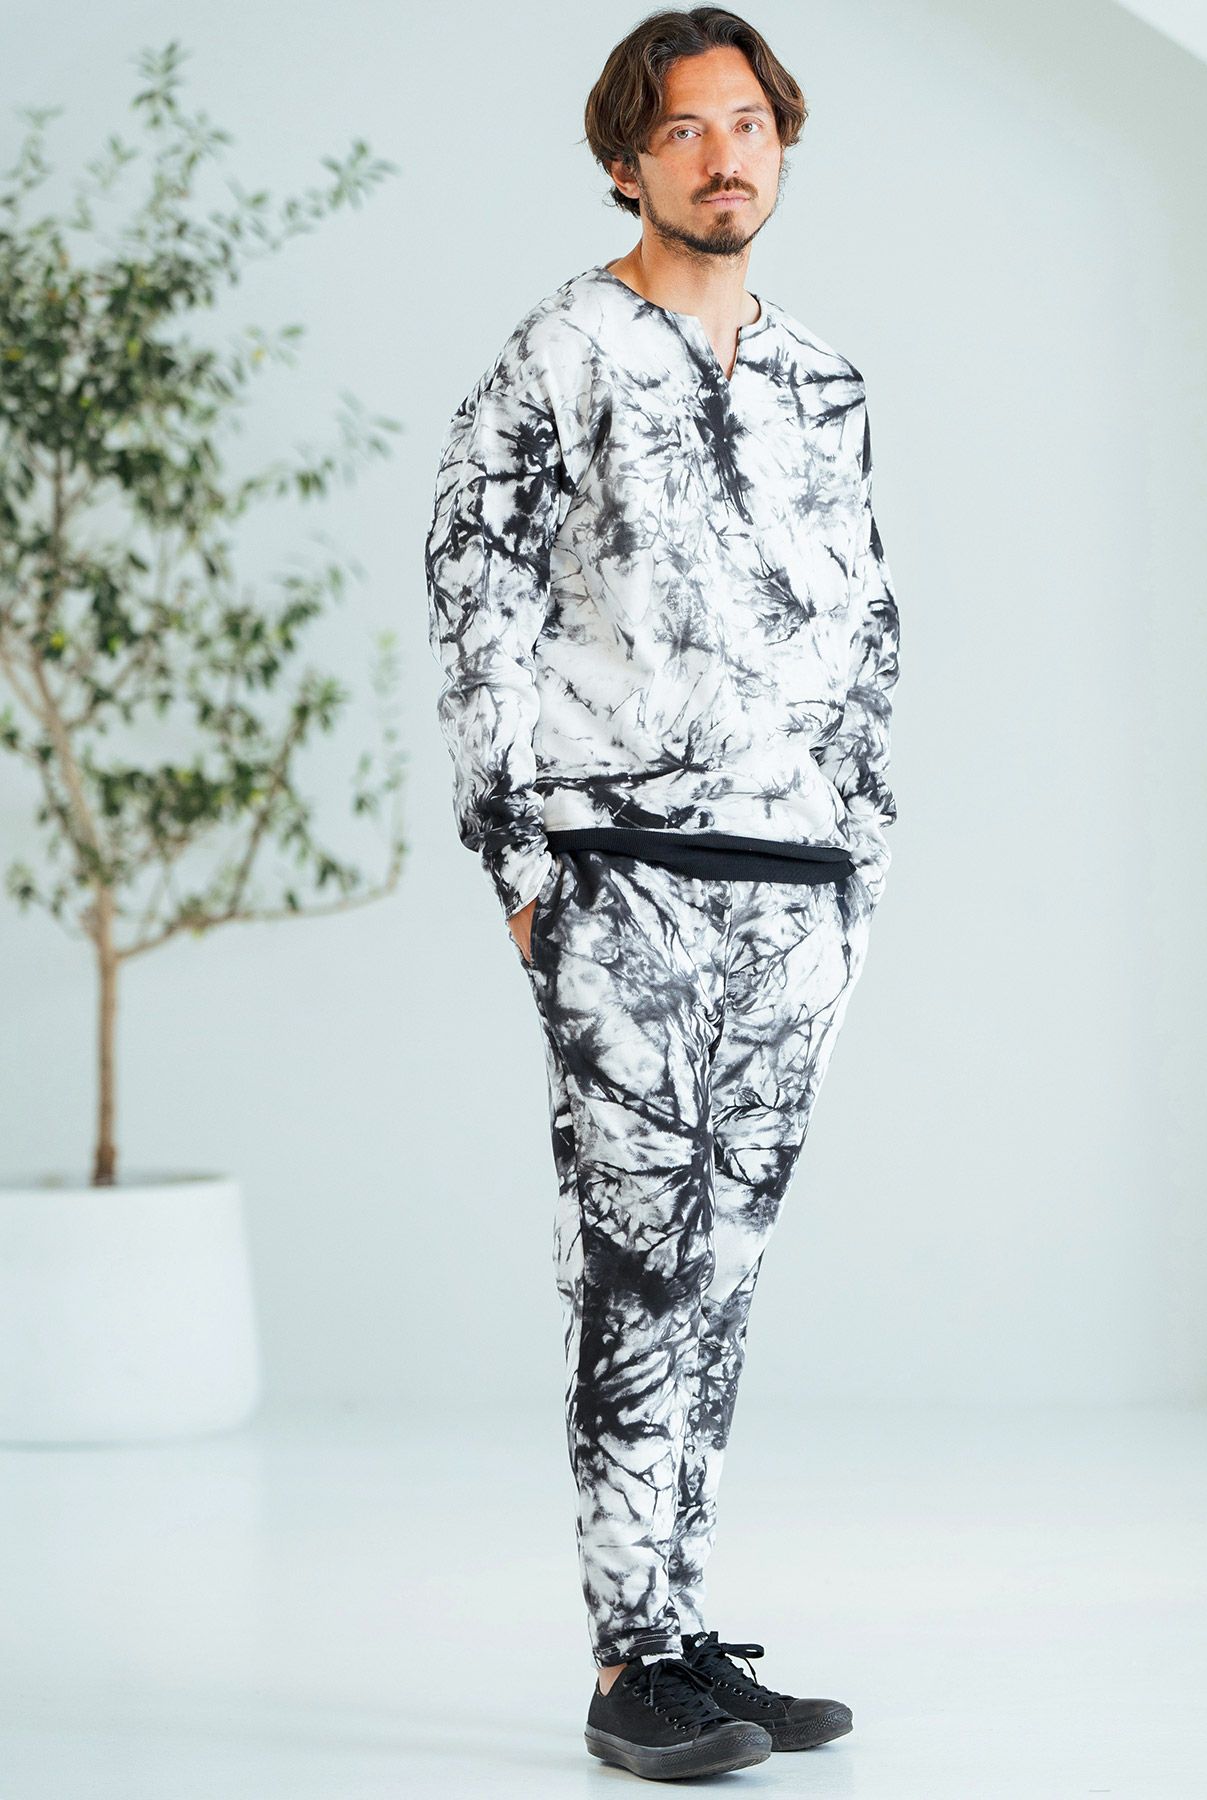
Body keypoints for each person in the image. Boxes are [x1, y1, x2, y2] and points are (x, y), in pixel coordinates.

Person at [424, 6, 900, 1781]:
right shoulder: (563, 352)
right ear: (627, 158)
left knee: (727, 1274)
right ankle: (630, 1667)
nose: (725, 156)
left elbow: (868, 623)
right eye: (687, 129)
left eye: (749, 124)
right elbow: (472, 592)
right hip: (620, 872)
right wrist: (520, 863)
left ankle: (688, 1635)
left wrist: (860, 862)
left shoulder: (825, 380)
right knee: (634, 1272)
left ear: (783, 143)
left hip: (799, 886)